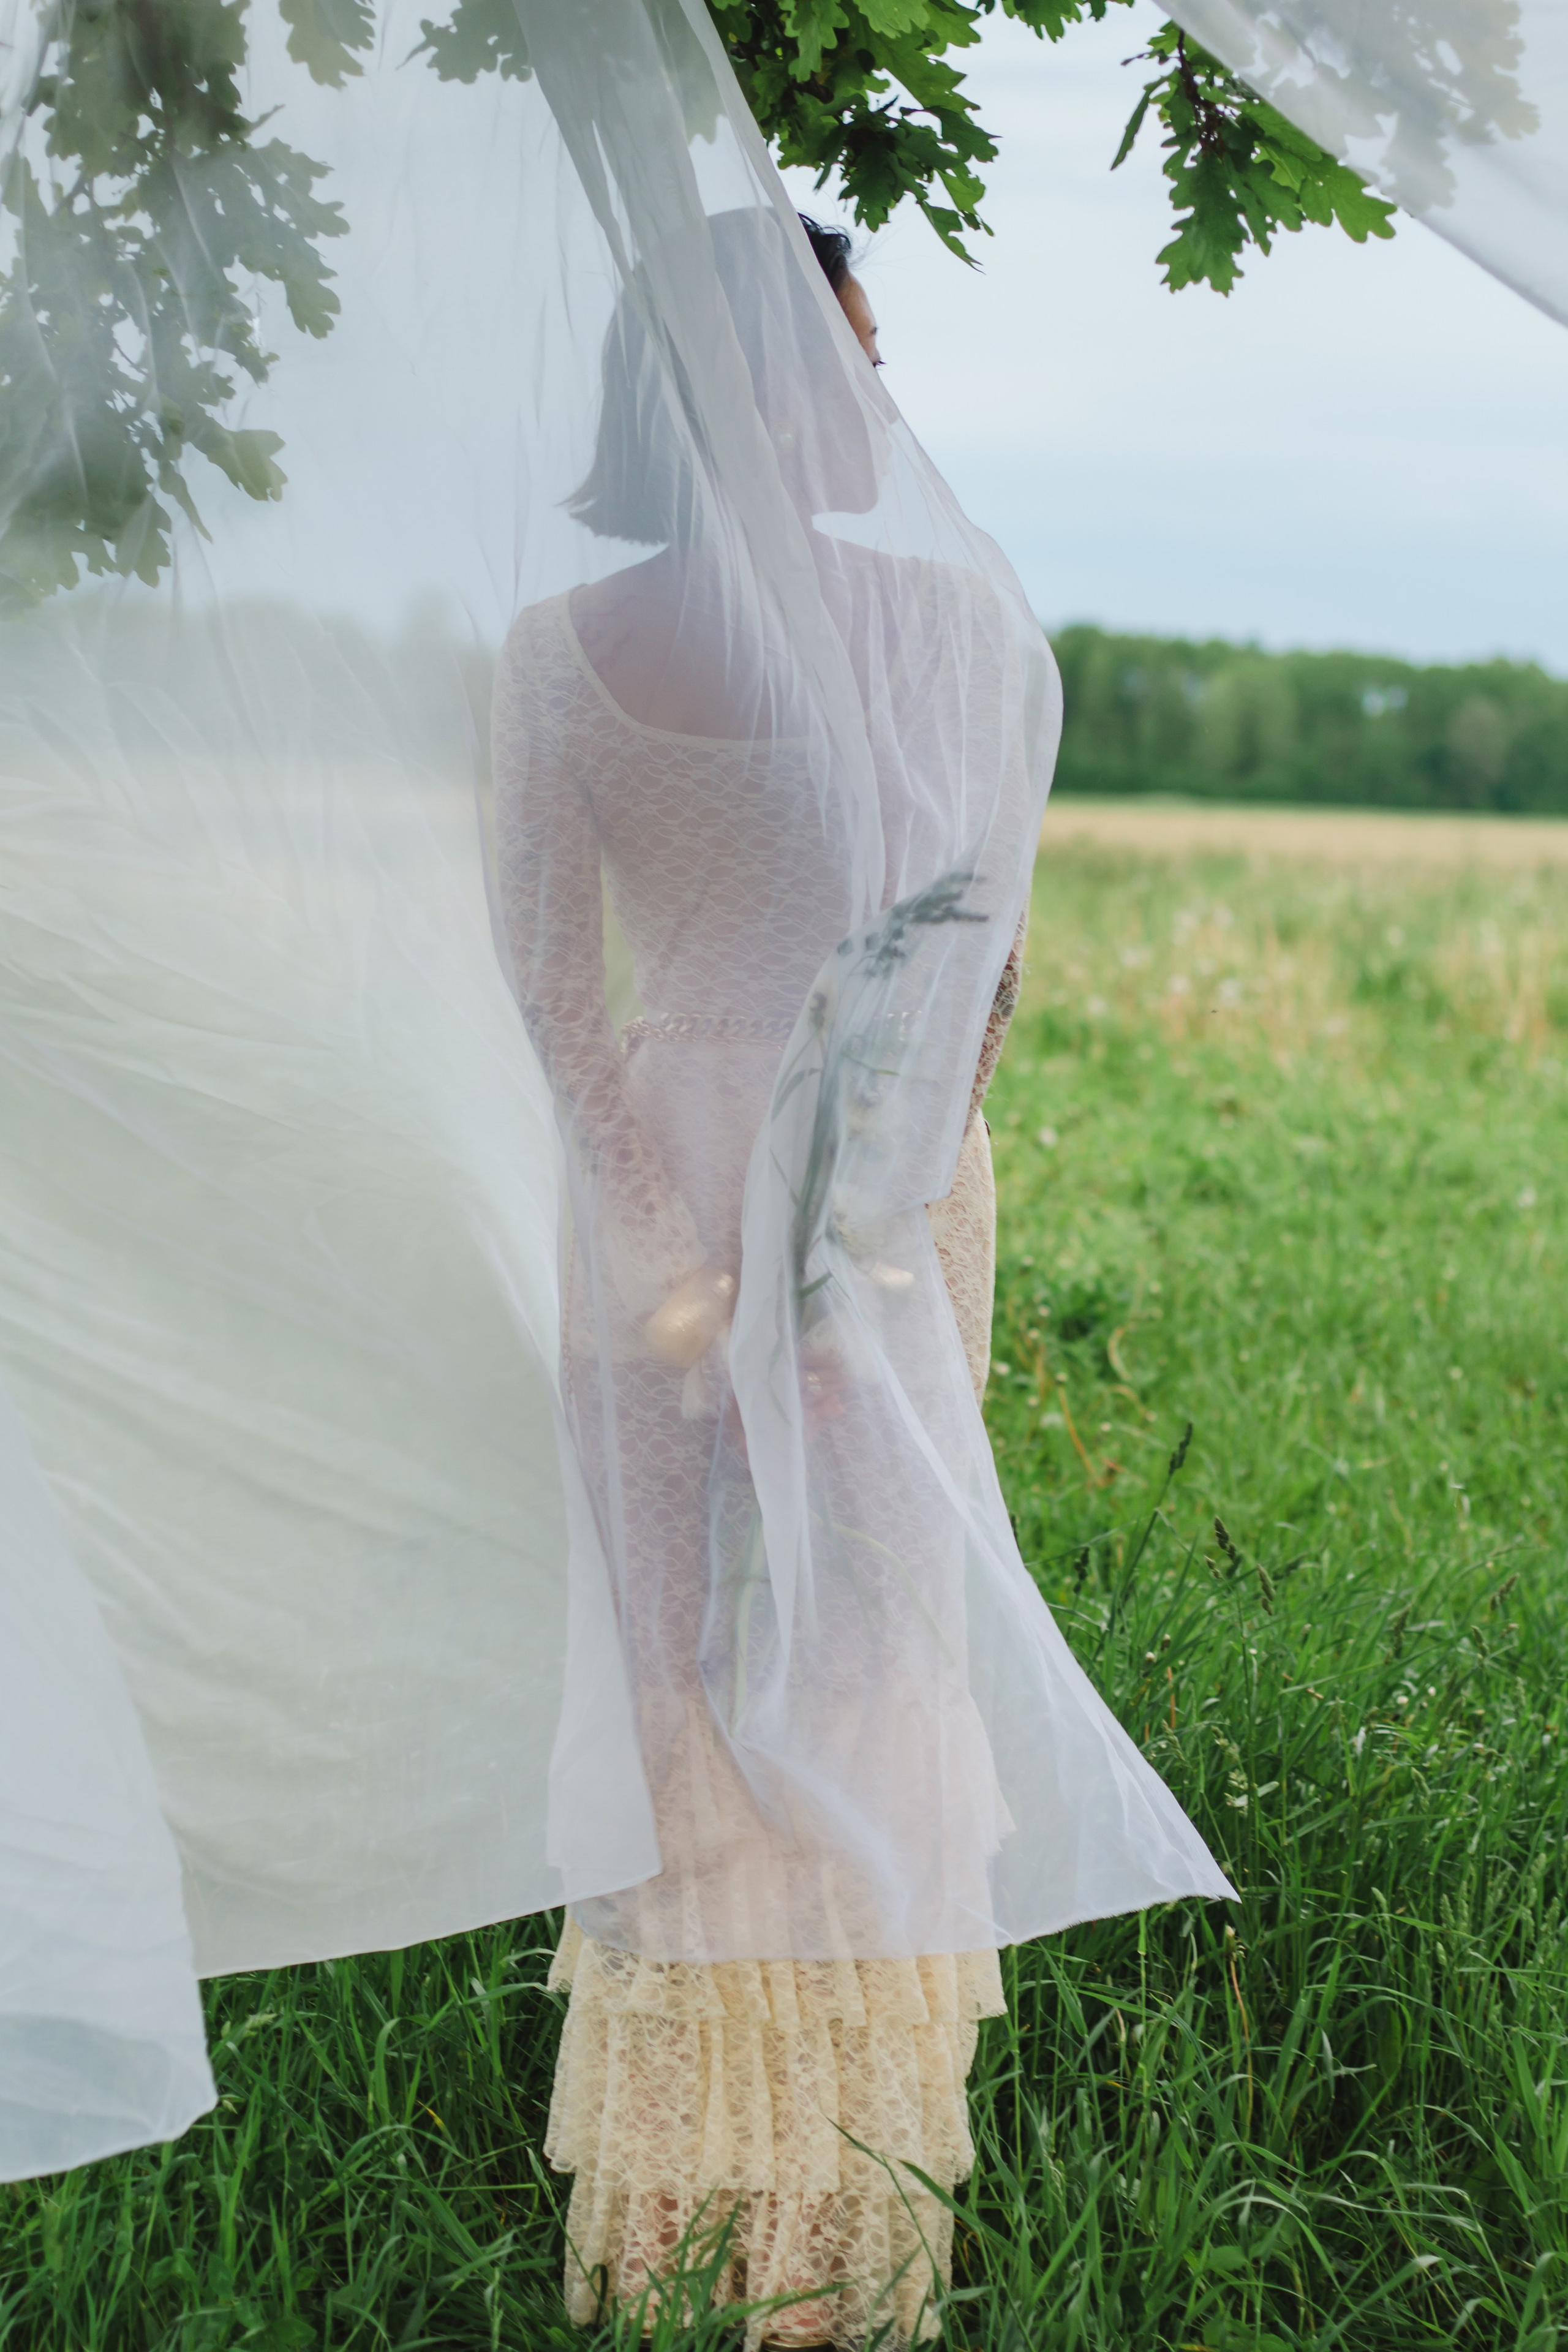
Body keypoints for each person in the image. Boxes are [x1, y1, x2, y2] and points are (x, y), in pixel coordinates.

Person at [492, 199, 1226, 2349]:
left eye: (879, 349)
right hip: (679, 1186)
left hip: (873, 1188)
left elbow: (977, 969)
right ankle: (688, 2232)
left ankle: (847, 2228)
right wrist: (667, 1248)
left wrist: (848, 1237)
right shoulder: (558, 650)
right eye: (842, 353)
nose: (880, 393)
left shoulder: (954, 632)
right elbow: (545, 983)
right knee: (672, 1664)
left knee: (876, 1644)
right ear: (722, 386)